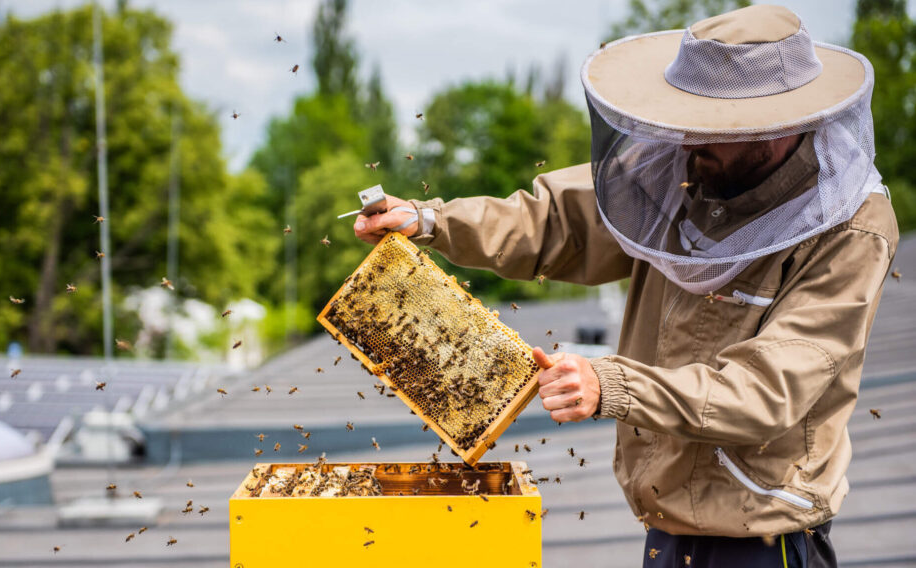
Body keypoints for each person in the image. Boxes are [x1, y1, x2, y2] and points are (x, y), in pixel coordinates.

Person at [353, 5, 899, 567]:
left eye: (713, 126)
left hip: (763, 537)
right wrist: (430, 221)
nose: (689, 140)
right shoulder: (684, 169)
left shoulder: (850, 230)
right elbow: (555, 221)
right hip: (665, 524)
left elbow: (768, 388)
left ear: (774, 126)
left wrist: (611, 384)